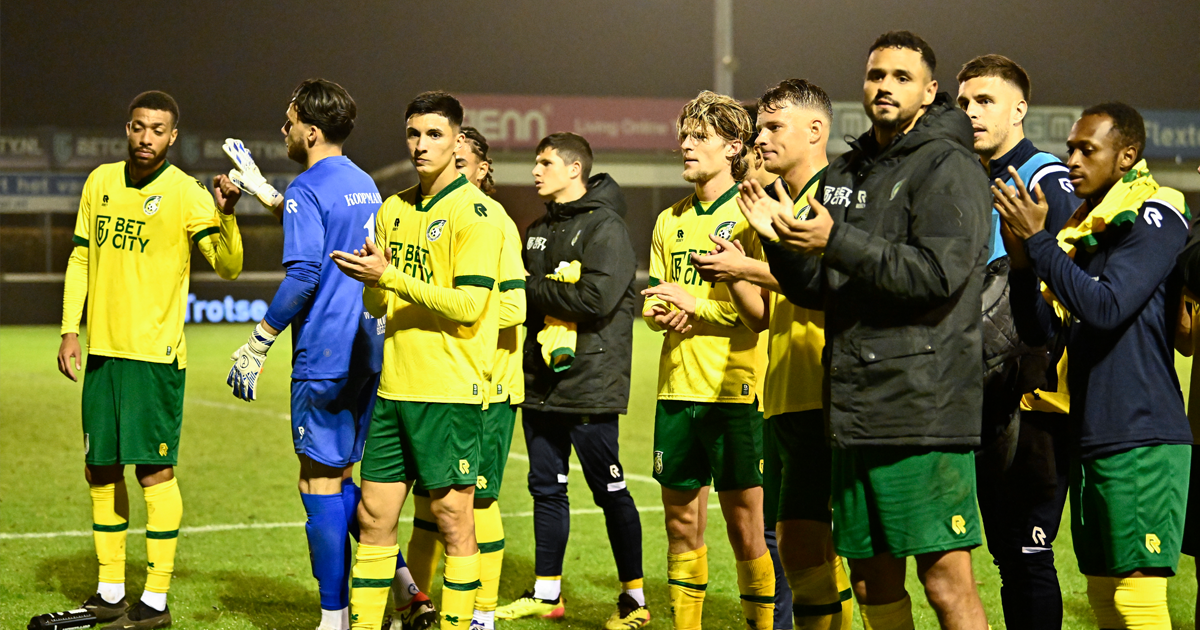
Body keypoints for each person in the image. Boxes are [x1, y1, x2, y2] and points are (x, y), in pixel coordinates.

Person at [739, 31, 990, 629]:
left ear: (930, 92)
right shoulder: (847, 172)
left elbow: (936, 275)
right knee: (871, 575)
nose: (885, 86)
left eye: (902, 77)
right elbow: (818, 287)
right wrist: (780, 242)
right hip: (853, 407)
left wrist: (836, 241)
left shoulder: (949, 166)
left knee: (944, 580)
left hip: (920, 406)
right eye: (877, 74)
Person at [996, 102, 1192, 629]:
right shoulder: (1085, 230)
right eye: (1070, 149)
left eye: (1088, 149)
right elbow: (1040, 331)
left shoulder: (1156, 214)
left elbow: (1106, 308)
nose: (1073, 160)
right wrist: (1022, 261)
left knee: (1136, 602)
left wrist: (1039, 242)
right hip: (1092, 433)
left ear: (1126, 156)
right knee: (1105, 599)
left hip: (1142, 434)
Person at [57, 90, 244, 629]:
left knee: (154, 474)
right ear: (127, 128)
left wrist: (226, 215)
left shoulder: (187, 194)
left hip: (155, 358)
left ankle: (155, 601)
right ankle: (110, 591)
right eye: (139, 127)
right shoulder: (100, 182)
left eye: (158, 130)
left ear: (173, 136)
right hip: (103, 355)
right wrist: (71, 329)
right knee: (100, 470)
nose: (146, 138)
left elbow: (229, 267)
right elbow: (80, 256)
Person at [330, 91, 506, 630]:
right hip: (395, 390)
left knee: (455, 521)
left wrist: (391, 277)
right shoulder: (394, 208)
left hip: (449, 393)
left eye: (433, 134)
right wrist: (369, 279)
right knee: (373, 516)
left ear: (457, 140)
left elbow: (470, 306)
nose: (420, 144)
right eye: (413, 133)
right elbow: (381, 303)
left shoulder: (477, 214)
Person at [222, 79, 387, 630]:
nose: (284, 129)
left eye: (289, 120)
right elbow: (331, 239)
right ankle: (405, 591)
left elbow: (304, 272)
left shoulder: (308, 186)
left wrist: (259, 341)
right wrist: (271, 195)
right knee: (341, 478)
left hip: (324, 352)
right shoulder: (365, 183)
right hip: (367, 346)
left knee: (317, 483)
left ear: (311, 131)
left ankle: (335, 617)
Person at [693, 80, 853, 630]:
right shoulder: (779, 200)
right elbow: (763, 316)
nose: (759, 139)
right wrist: (735, 267)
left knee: (823, 546)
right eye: (759, 127)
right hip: (780, 391)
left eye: (772, 127)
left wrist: (748, 267)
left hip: (823, 392)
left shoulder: (839, 196)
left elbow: (835, 284)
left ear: (816, 130)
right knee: (795, 545)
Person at [497, 131, 648, 630]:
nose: (535, 171)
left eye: (545, 163)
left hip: (590, 382)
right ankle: (547, 593)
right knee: (546, 488)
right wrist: (533, 293)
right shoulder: (537, 228)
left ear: (573, 170)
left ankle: (634, 599)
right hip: (539, 382)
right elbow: (526, 303)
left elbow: (594, 300)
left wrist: (527, 288)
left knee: (609, 491)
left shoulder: (608, 227)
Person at [640, 91, 774, 630]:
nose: (686, 145)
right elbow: (653, 299)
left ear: (734, 146)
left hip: (733, 391)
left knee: (746, 528)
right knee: (679, 525)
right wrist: (660, 314)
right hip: (675, 390)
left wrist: (696, 306)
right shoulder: (669, 219)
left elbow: (761, 311)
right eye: (685, 136)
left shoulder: (750, 214)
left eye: (700, 137)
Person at [955, 55, 1077, 630]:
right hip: (983, 389)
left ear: (1019, 109)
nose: (972, 112)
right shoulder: (970, 176)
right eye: (965, 102)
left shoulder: (1044, 176)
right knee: (1007, 552)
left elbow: (1079, 281)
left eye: (986, 101)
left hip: (1034, 394)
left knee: (1028, 554)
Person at [395, 126, 526, 630]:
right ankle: (415, 607)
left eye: (464, 160)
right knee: (431, 508)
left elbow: (513, 306)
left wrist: (456, 307)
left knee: (480, 502)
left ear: (480, 168)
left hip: (488, 384)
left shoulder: (495, 223)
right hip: (436, 381)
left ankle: (483, 615)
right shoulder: (429, 218)